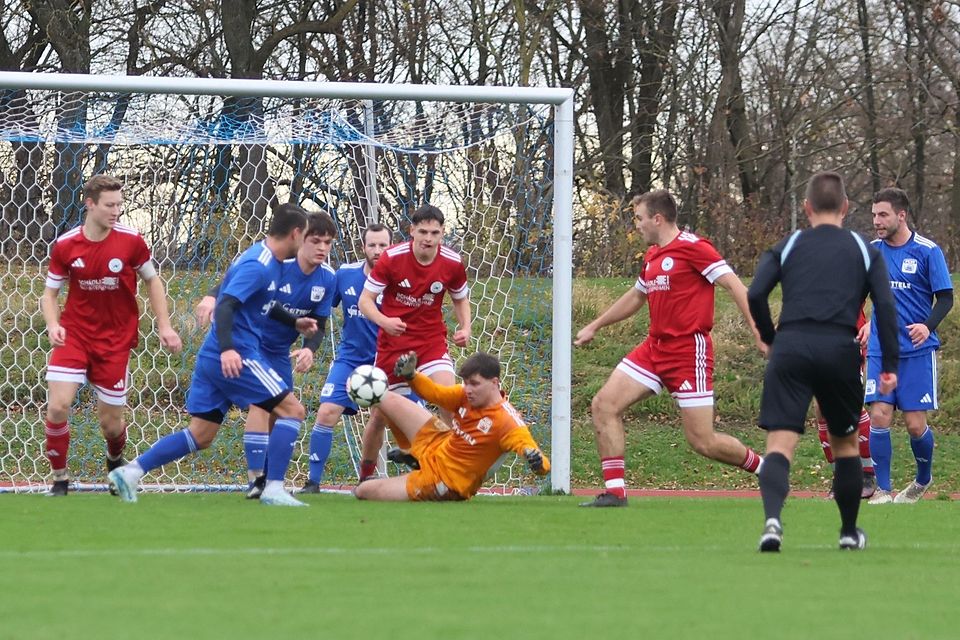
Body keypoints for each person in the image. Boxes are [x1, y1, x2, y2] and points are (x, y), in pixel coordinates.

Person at [109, 203, 318, 507]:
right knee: (293, 411)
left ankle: (130, 472)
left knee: (201, 434)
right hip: (238, 355)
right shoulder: (257, 265)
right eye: (306, 236)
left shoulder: (264, 258)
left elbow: (259, 302)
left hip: (213, 357)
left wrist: (294, 322)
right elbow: (226, 305)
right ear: (296, 233)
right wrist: (229, 349)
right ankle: (273, 487)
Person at [575, 189, 765, 507]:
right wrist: (595, 325)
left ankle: (766, 468)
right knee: (603, 404)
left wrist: (759, 331)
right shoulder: (652, 256)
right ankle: (615, 492)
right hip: (654, 349)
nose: (636, 225)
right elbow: (636, 297)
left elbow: (735, 285)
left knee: (702, 441)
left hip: (688, 352)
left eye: (639, 218)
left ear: (657, 218)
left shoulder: (695, 248)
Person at [748, 171, 899, 552]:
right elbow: (884, 305)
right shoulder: (865, 249)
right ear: (846, 208)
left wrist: (770, 339)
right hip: (839, 349)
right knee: (846, 444)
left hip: (792, 347)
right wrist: (889, 366)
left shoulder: (791, 242)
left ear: (807, 208)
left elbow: (755, 293)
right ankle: (849, 532)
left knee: (780, 445)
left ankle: (772, 524)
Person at [40, 174, 182, 496]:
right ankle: (60, 480)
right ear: (90, 204)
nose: (116, 211)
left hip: (115, 341)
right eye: (109, 205)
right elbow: (49, 294)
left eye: (119, 204)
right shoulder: (66, 244)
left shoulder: (131, 241)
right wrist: (53, 324)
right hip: (74, 335)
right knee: (58, 407)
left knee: (111, 424)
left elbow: (153, 281)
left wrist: (165, 325)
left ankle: (115, 459)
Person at [196, 212, 338, 498]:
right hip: (254, 346)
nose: (322, 248)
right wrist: (212, 294)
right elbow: (236, 281)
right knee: (264, 406)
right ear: (300, 237)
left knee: (280, 415)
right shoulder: (279, 263)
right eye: (316, 240)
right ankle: (257, 481)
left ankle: (271, 479)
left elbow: (319, 326)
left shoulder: (328, 279)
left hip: (280, 352)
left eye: (328, 242)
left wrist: (309, 349)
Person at [357, 204, 470, 468]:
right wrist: (385, 321)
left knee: (447, 395)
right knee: (379, 416)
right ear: (412, 231)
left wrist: (465, 328)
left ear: (442, 233)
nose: (428, 238)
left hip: (431, 342)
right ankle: (366, 473)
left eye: (434, 232)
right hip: (393, 346)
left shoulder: (452, 262)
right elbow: (365, 300)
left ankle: (454, 462)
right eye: (423, 232)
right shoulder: (392, 258)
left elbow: (461, 299)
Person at [354, 351, 549, 501]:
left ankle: (412, 466)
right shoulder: (464, 394)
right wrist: (412, 375)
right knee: (384, 397)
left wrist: (538, 462)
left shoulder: (507, 422)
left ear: (494, 383)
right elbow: (435, 393)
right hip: (439, 443)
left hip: (445, 480)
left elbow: (533, 454)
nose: (468, 389)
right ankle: (414, 454)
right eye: (466, 383)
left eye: (474, 384)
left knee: (363, 491)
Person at [864, 188, 953, 505]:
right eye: (874, 214)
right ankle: (884, 491)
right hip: (880, 350)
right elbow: (857, 293)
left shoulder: (928, 251)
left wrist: (926, 325)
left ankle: (922, 480)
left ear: (901, 215)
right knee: (879, 415)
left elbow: (945, 298)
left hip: (917, 352)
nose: (877, 221)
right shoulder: (872, 251)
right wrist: (861, 324)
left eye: (883, 214)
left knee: (915, 425)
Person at [298, 223, 394, 491]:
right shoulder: (345, 275)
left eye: (382, 245)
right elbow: (321, 309)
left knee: (380, 418)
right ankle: (313, 482)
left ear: (391, 247)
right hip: (350, 359)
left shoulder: (399, 281)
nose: (377, 250)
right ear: (363, 247)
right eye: (372, 245)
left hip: (387, 360)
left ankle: (366, 479)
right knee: (327, 411)